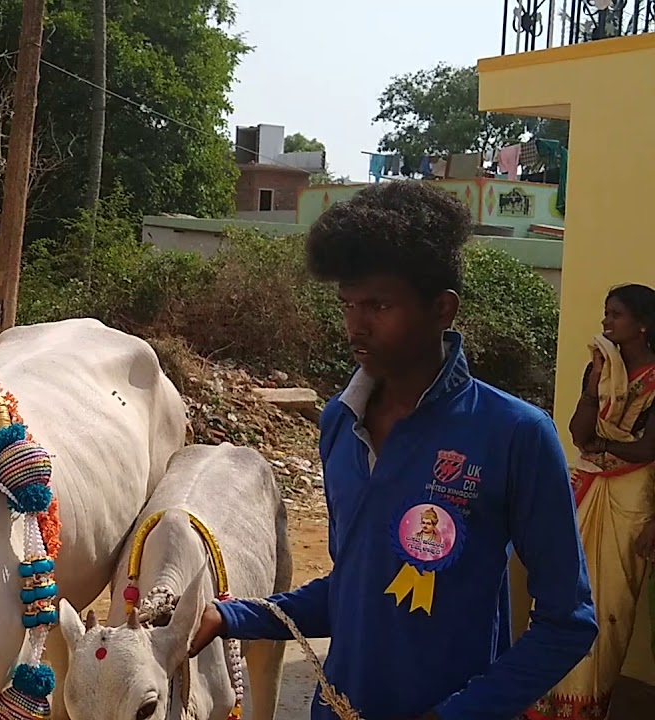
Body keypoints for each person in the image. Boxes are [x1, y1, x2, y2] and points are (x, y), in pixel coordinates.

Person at [188, 181, 598, 720]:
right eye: (349, 304)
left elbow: (568, 622)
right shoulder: (339, 422)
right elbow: (357, 587)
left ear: (442, 309)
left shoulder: (514, 433)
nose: (357, 324)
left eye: (380, 304)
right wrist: (233, 616)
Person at [527, 284, 655, 719]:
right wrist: (594, 380)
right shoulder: (600, 370)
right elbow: (579, 435)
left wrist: (604, 447)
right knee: (566, 593)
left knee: (611, 608)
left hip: (631, 499)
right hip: (587, 490)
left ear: (641, 325)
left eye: (614, 315)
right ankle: (545, 700)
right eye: (605, 314)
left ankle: (586, 706)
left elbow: (647, 449)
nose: (605, 323)